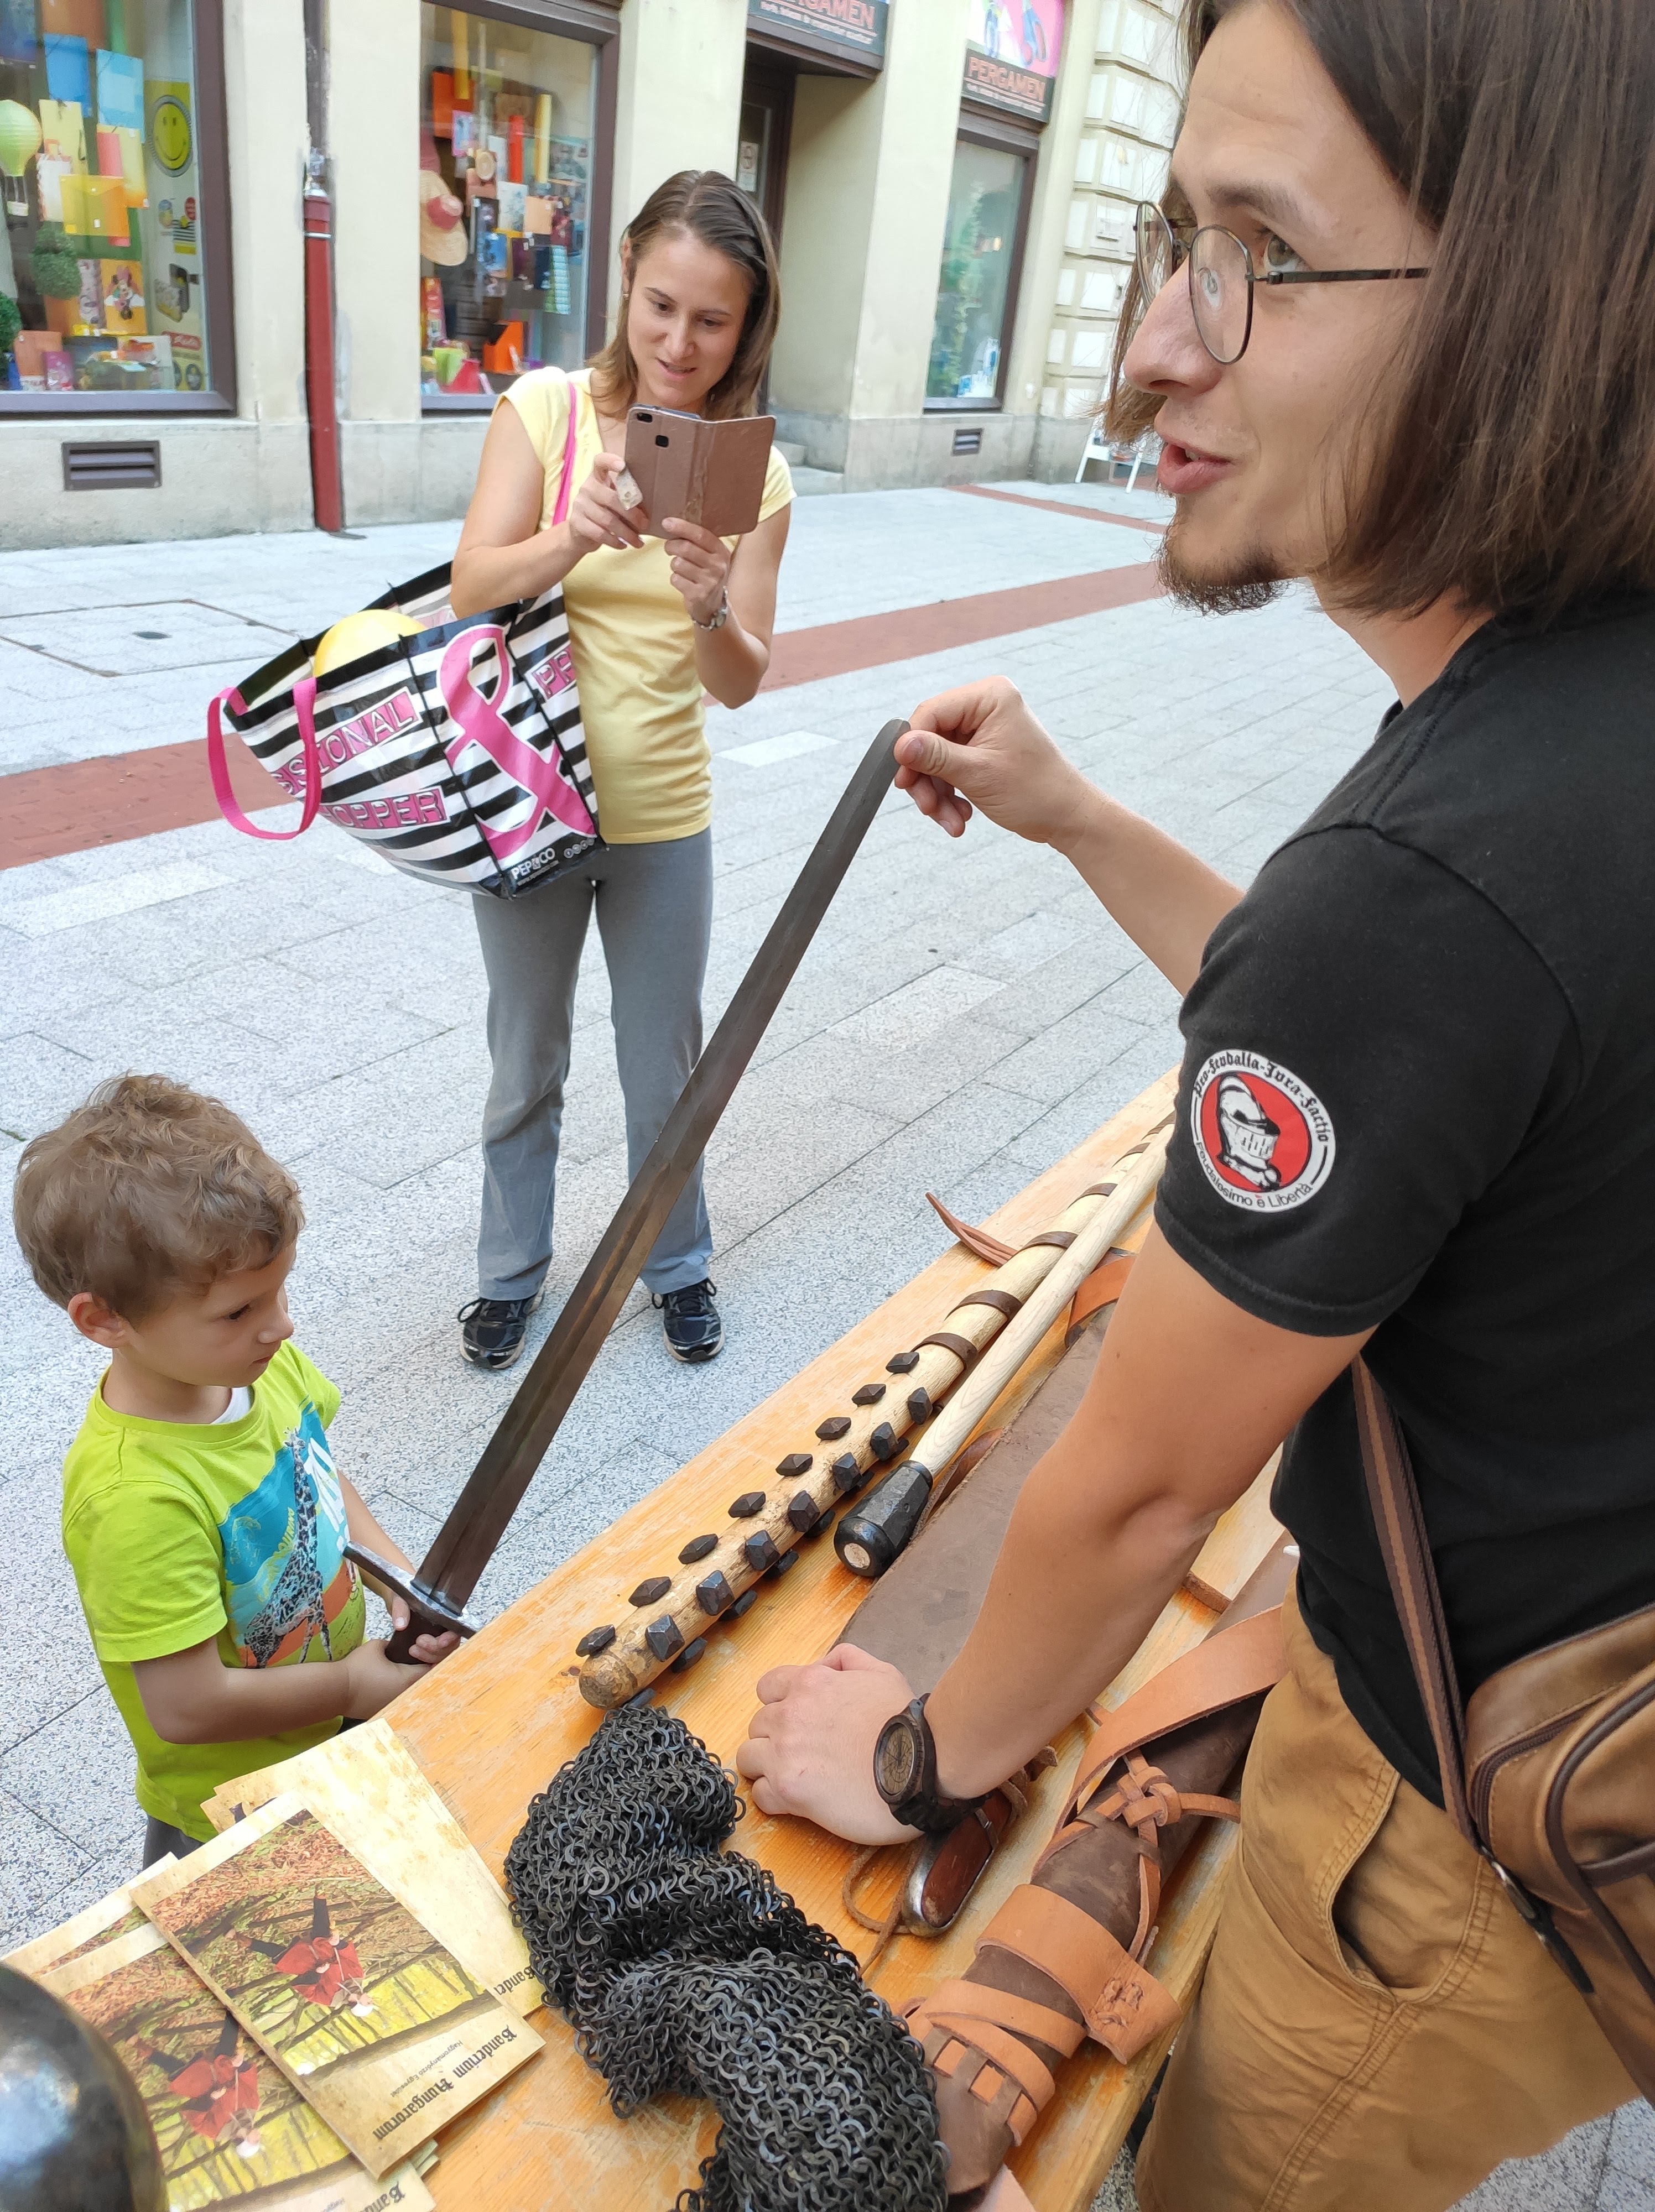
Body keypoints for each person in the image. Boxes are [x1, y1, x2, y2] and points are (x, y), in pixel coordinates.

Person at [737, 1, 1655, 2206]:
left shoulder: (1427, 883)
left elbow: (1143, 1496)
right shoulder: (1579, 726)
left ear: (1535, 288)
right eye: (1175, 240)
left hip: (1454, 1837)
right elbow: (1431, 1057)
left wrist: (925, 1755)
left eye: (1261, 253)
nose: (1153, 348)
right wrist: (1077, 817)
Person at [447, 170, 792, 1372]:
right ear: (628, 277)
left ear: (747, 326)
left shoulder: (756, 475)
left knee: (664, 1073)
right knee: (524, 1062)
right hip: (525, 804)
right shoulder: (544, 411)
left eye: (712, 320)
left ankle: (677, 1263)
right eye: (661, 306)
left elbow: (740, 680)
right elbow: (470, 584)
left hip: (662, 820)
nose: (679, 343)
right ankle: (508, 1274)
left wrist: (710, 605)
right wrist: (569, 537)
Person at [12, 1076, 457, 1866]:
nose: (281, 1325)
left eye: (279, 1291)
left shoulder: (259, 1369)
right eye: (239, 1311)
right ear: (104, 1319)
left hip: (342, 1731)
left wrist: (397, 1581)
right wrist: (348, 1687)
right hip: (235, 1813)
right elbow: (186, 1706)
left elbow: (318, 1478)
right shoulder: (136, 1499)